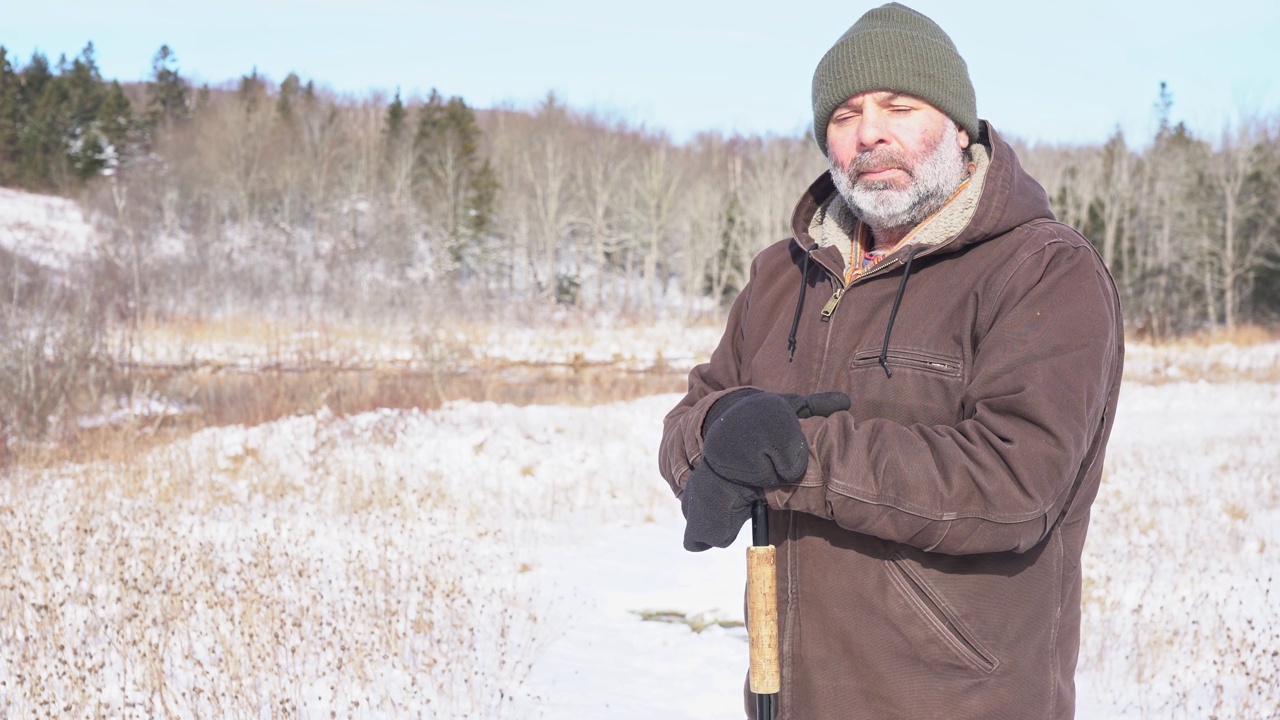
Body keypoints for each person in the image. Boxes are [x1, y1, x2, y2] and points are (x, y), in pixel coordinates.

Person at [657, 3, 1125, 719]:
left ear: (958, 125)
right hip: (787, 695)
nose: (869, 132)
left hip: (958, 701)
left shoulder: (1042, 271)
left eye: (898, 107)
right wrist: (725, 430)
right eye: (844, 117)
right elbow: (692, 421)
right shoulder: (784, 275)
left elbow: (1013, 485)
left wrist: (793, 454)